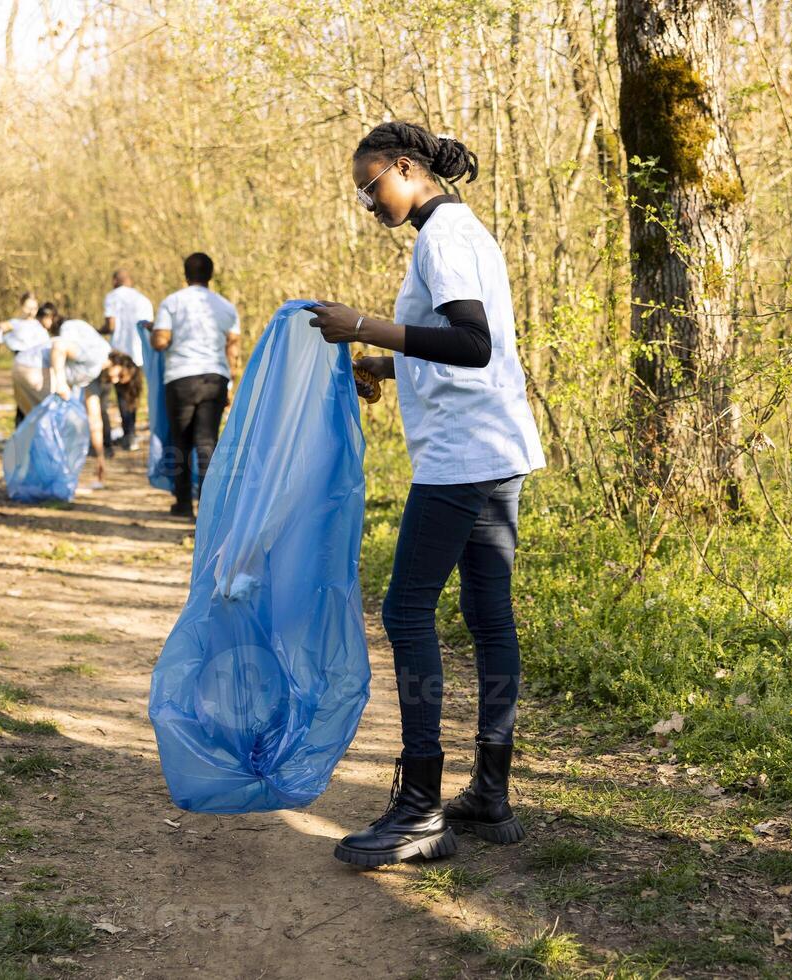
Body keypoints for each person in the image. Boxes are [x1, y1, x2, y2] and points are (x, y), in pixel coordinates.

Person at [308, 121, 546, 868]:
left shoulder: (440, 238)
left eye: (371, 186)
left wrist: (362, 327)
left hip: (461, 460)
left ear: (406, 169)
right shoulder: (463, 231)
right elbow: (456, 348)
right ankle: (491, 794)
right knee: (486, 612)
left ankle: (418, 810)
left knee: (406, 610)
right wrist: (382, 363)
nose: (369, 203)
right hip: (496, 449)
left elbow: (472, 343)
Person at [150, 253, 240, 520]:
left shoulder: (172, 302)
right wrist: (230, 382)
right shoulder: (226, 307)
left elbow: (160, 342)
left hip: (181, 377)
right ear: (211, 276)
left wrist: (153, 331)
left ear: (185, 274)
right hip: (215, 378)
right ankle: (208, 508)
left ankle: (182, 504)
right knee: (207, 441)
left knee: (181, 440)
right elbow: (232, 349)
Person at [49, 317, 135, 492]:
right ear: (118, 363)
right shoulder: (96, 357)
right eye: (119, 375)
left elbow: (95, 420)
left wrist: (100, 457)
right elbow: (60, 346)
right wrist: (60, 381)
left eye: (119, 381)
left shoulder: (97, 376)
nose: (115, 380)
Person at [102, 269, 154, 451]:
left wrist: (98, 331)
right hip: (139, 354)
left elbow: (111, 325)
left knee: (121, 395)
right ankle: (131, 434)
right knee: (133, 394)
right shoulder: (143, 299)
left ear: (116, 280)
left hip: (120, 354)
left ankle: (127, 433)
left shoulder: (112, 297)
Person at [0, 292, 51, 425]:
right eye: (28, 307)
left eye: (34, 308)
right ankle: (21, 435)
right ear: (21, 306)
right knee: (22, 403)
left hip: (39, 368)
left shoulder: (41, 326)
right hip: (22, 367)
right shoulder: (15, 323)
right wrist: (1, 328)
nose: (31, 312)